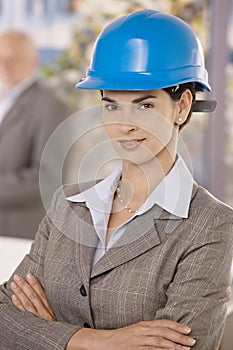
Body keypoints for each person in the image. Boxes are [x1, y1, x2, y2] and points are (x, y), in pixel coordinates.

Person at [0, 10, 232, 350]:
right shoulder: (68, 206)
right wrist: (96, 341)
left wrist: (45, 333)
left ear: (182, 107)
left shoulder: (212, 225)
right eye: (112, 106)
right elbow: (3, 317)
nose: (125, 125)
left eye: (144, 105)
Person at [0, 30, 71, 239]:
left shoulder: (52, 107)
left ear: (34, 60)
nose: (4, 65)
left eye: (12, 59)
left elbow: (48, 178)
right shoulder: (4, 99)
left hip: (17, 234)